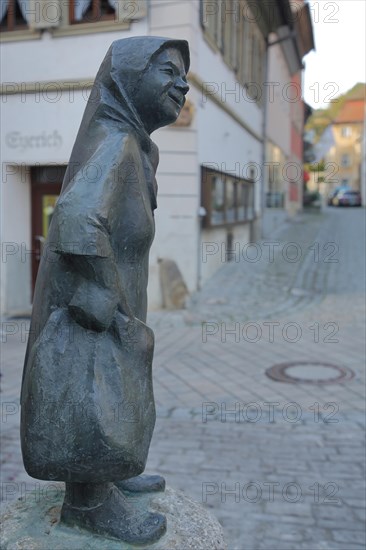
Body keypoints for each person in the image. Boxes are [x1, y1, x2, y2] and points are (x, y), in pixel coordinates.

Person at [20, 36, 189, 544]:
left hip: (115, 298)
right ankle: (87, 502)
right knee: (91, 391)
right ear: (127, 80)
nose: (181, 84)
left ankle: (108, 473)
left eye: (183, 74)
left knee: (114, 392)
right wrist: (106, 298)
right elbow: (75, 220)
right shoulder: (116, 143)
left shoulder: (133, 145)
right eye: (167, 71)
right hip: (89, 307)